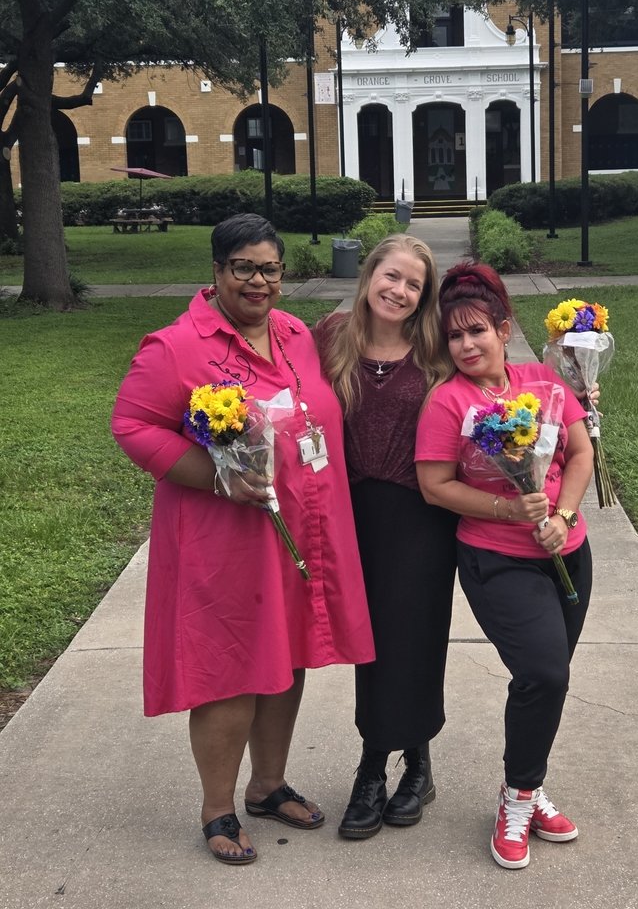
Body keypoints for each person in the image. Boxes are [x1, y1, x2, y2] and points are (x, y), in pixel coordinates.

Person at [111, 213, 375, 865]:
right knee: (230, 671)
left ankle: (268, 783)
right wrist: (214, 477)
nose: (259, 282)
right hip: (224, 538)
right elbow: (133, 425)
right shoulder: (176, 347)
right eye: (245, 269)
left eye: (270, 270)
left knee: (285, 659)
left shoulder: (292, 333)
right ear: (218, 271)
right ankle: (217, 808)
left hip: (299, 529)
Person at [414, 261, 594, 871]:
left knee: (549, 681)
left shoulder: (544, 380)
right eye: (454, 337)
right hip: (498, 561)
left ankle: (526, 783)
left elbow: (579, 451)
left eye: (476, 332)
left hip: (569, 553)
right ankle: (519, 800)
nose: (465, 346)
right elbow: (435, 485)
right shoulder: (447, 402)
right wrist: (510, 508)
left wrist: (563, 517)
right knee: (544, 672)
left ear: (502, 327)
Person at [315, 234, 457, 839]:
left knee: (415, 637)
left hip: (421, 513)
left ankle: (385, 766)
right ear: (369, 273)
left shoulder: (434, 350)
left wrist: (570, 394)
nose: (398, 291)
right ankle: (403, 762)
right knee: (368, 640)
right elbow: (267, 370)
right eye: (390, 276)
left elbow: (499, 382)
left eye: (414, 284)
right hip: (348, 512)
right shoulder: (328, 336)